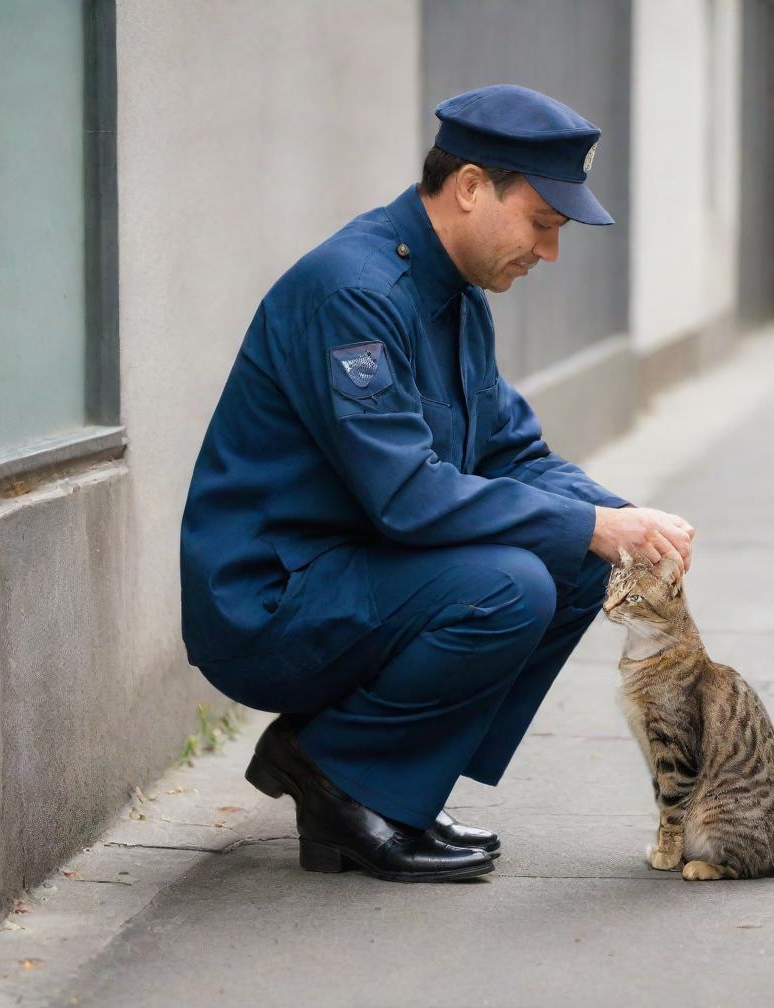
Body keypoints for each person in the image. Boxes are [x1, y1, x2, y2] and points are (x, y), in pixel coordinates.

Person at [179, 84, 694, 883]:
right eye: (542, 224)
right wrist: (587, 526)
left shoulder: (454, 297)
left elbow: (511, 452)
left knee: (576, 554)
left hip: (355, 574)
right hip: (270, 600)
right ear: (469, 188)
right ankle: (341, 774)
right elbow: (408, 495)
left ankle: (373, 780)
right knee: (514, 581)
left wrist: (620, 519)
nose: (549, 253)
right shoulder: (355, 292)